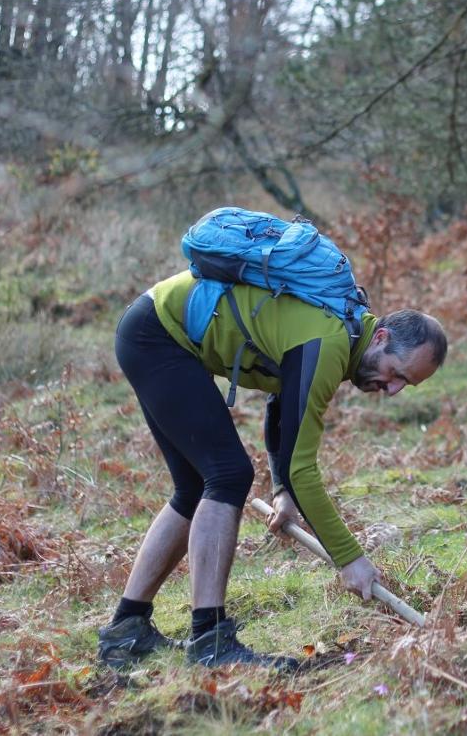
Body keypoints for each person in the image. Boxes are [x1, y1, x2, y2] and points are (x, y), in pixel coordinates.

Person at [97, 268, 447, 669]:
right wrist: (349, 558)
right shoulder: (330, 342)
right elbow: (304, 470)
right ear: (381, 337)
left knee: (195, 486)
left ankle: (127, 630)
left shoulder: (345, 332)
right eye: (396, 374)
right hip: (158, 335)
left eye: (406, 385)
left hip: (150, 326)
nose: (393, 390)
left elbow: (281, 403)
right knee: (227, 475)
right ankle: (210, 642)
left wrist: (281, 490)